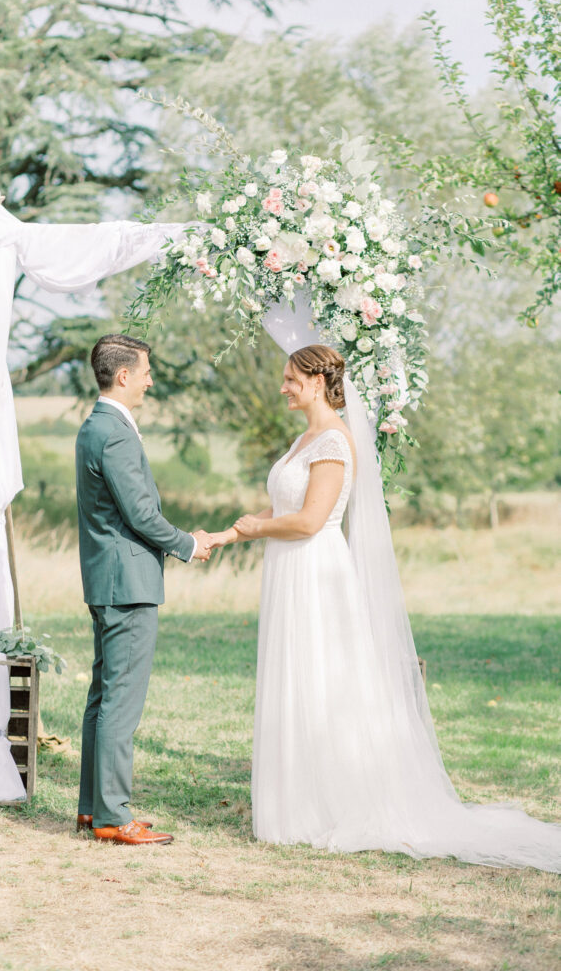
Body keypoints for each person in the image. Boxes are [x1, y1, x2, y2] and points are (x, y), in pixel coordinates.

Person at [209, 344, 561, 871]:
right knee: (298, 680)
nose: (282, 386)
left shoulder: (332, 441)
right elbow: (281, 507)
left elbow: (308, 521)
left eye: (290, 378)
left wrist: (259, 529)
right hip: (289, 571)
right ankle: (296, 799)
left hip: (316, 572)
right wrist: (228, 533)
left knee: (324, 682)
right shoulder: (304, 437)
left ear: (317, 380)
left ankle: (324, 804)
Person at [75, 333, 212, 845]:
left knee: (104, 696)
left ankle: (93, 808)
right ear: (124, 375)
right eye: (147, 371)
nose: (152, 380)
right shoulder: (114, 432)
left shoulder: (97, 427)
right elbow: (139, 514)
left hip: (108, 579)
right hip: (126, 584)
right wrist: (186, 543)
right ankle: (112, 815)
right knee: (121, 701)